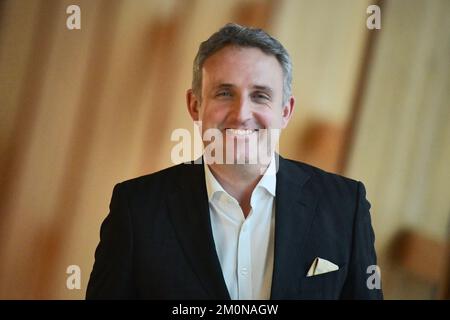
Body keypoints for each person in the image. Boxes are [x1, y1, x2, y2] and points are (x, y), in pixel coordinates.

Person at [86, 23, 383, 300]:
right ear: (195, 105)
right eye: (225, 93)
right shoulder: (136, 209)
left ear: (285, 111)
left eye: (260, 95)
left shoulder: (346, 207)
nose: (241, 113)